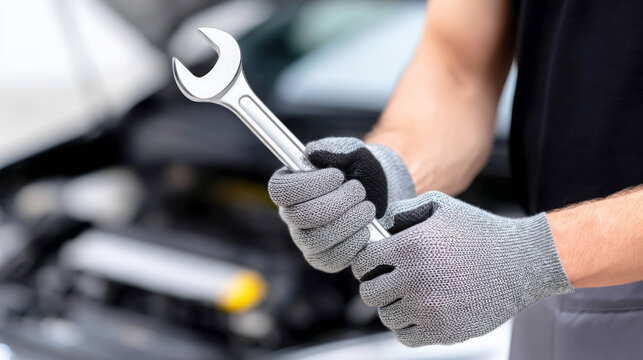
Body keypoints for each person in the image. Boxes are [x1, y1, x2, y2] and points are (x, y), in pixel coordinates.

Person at [267, 0, 643, 358]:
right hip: (548, 298)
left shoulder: (529, 263)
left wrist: (537, 255)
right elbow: (459, 69)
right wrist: (386, 173)